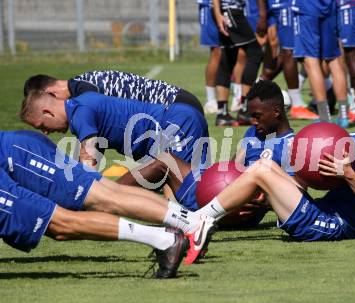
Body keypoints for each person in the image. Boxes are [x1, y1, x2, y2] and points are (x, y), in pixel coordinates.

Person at [196, 77, 355, 242]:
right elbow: (307, 178)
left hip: (332, 225)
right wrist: (272, 197)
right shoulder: (354, 138)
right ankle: (200, 219)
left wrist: (348, 174)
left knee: (261, 169)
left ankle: (198, 220)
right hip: (318, 210)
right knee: (266, 165)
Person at [0, 130, 216, 276]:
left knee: (73, 215)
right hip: (17, 148)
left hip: (16, 154)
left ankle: (176, 233)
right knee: (107, 194)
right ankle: (191, 222)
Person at [117, 80, 294, 213]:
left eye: (257, 116)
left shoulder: (291, 145)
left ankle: (104, 196)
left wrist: (267, 203)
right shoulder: (253, 133)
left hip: (239, 206)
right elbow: (232, 167)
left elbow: (295, 194)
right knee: (167, 158)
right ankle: (109, 197)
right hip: (224, 191)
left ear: (276, 112)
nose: (253, 122)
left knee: (165, 162)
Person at [20, 89, 209, 170]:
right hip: (178, 120)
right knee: (187, 187)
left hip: (177, 122)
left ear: (47, 113)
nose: (45, 132)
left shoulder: (79, 113)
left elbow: (89, 162)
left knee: (190, 192)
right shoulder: (80, 108)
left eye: (42, 126)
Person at [23, 70, 204, 114]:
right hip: (181, 103)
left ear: (51, 94)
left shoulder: (85, 93)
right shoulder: (82, 82)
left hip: (177, 107)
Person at [292, 0, 352, 128]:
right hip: (329, 7)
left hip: (306, 8)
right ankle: (344, 115)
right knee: (334, 59)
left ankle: (324, 116)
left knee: (310, 60)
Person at [259, 0, 318, 120]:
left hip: (288, 7)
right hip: (285, 6)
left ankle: (253, 92)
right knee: (289, 52)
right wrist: (263, 15)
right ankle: (297, 105)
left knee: (283, 54)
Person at [213, 0, 266, 126]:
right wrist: (217, 13)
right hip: (229, 10)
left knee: (228, 59)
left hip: (228, 10)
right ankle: (244, 110)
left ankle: (222, 113)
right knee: (255, 52)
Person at [198, 0, 223, 114]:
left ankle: (238, 97)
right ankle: (211, 100)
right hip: (210, 6)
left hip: (228, 6)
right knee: (216, 51)